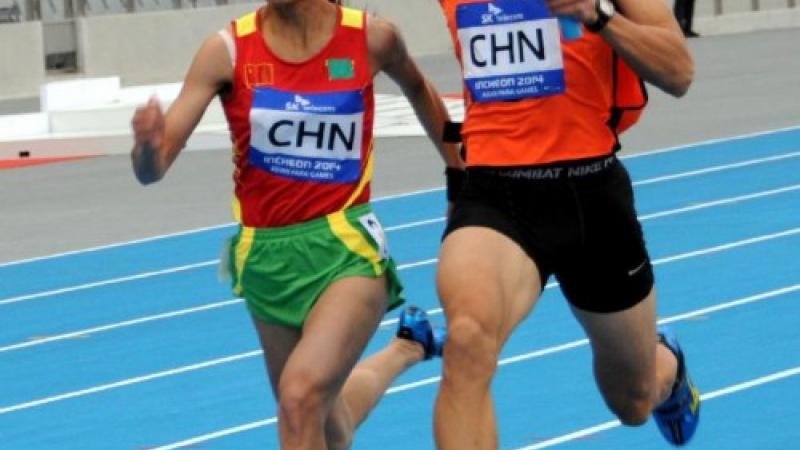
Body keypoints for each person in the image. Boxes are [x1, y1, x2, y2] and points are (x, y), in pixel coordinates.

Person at [130, 0, 459, 448]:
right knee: (328, 422)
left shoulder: (371, 38)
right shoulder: (226, 51)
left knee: (299, 398)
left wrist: (462, 173)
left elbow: (420, 90)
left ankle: (406, 346)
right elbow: (154, 168)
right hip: (267, 261)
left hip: (346, 248)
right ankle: (408, 347)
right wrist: (148, 147)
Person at [432, 0, 700, 448]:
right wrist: (455, 176)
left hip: (592, 197)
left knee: (633, 400)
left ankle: (668, 367)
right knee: (466, 343)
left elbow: (679, 73)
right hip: (497, 196)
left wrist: (596, 14)